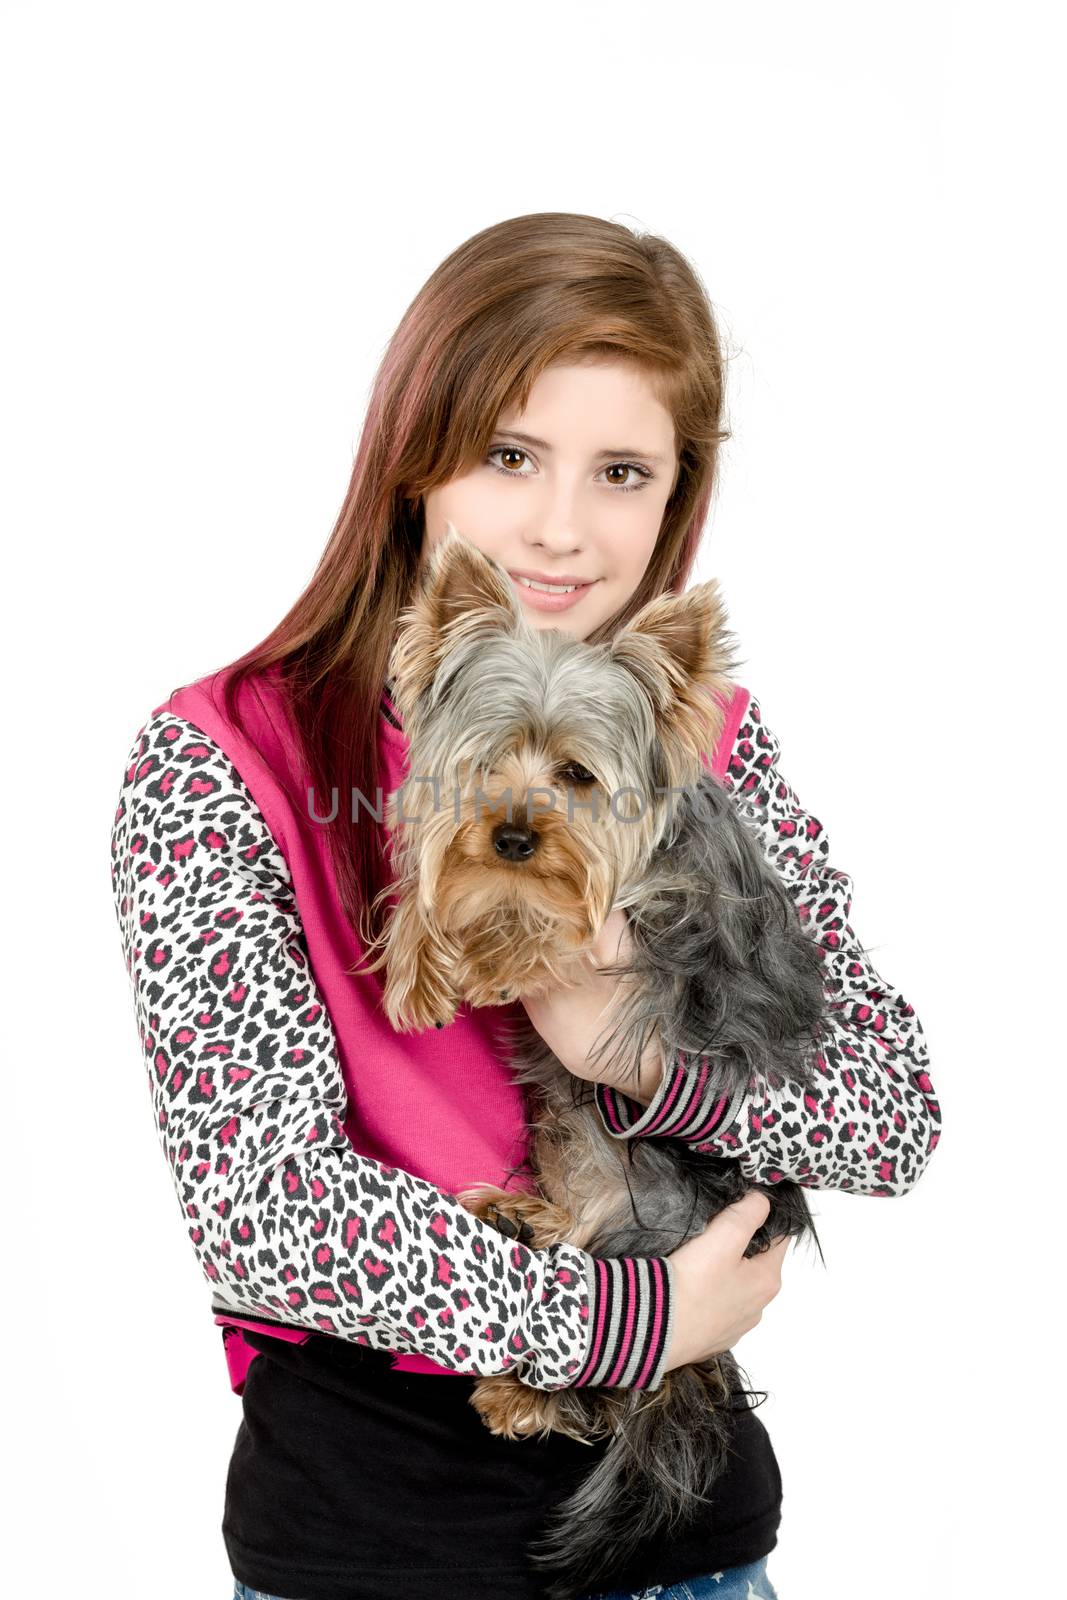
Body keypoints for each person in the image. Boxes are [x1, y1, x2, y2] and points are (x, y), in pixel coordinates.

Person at [110, 212, 941, 1600]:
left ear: (675, 503)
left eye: (623, 472)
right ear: (413, 460)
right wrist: (635, 1319)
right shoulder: (224, 762)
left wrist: (640, 1060)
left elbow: (894, 1112)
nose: (564, 527)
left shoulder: (705, 738)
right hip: (374, 1551)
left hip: (693, 1551)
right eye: (511, 455)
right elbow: (270, 1215)